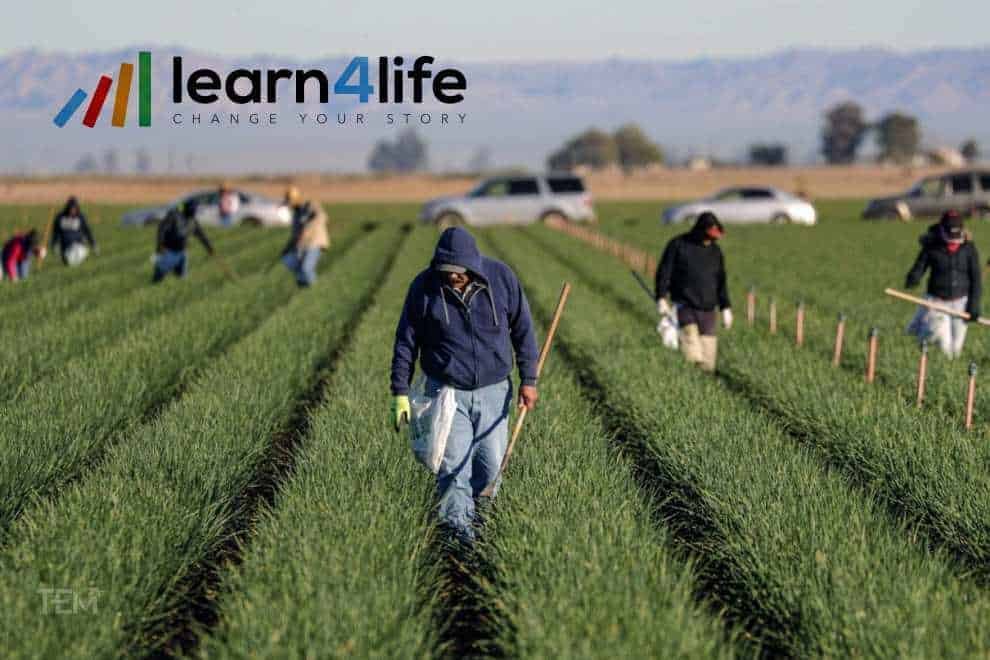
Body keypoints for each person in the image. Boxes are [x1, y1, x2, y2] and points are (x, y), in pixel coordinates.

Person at [391, 227, 539, 541]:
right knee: (453, 470)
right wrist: (400, 392)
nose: (452, 277)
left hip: (494, 391)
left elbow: (523, 330)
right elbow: (406, 341)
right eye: (446, 271)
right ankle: (459, 542)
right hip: (446, 393)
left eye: (458, 272)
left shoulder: (501, 278)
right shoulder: (424, 287)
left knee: (490, 468)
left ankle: (485, 531)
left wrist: (529, 379)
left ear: (472, 265)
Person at [654, 211, 732, 372]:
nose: (711, 241)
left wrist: (725, 307)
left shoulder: (715, 252)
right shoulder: (678, 245)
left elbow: (721, 281)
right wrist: (661, 297)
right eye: (709, 237)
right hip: (685, 306)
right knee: (692, 352)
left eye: (714, 238)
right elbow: (664, 272)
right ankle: (690, 378)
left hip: (708, 310)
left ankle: (704, 388)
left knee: (708, 362)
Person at [905, 209, 981, 358]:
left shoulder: (969, 249)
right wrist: (913, 277)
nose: (953, 241)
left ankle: (952, 371)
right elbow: (920, 266)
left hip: (961, 303)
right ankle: (934, 357)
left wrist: (974, 304)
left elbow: (976, 279)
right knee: (944, 345)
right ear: (941, 230)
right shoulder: (931, 246)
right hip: (937, 302)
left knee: (955, 348)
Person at [153, 201, 214, 283]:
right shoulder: (174, 216)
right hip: (168, 251)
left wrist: (210, 248)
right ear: (188, 208)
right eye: (194, 209)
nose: (195, 212)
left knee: (181, 279)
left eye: (196, 210)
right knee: (159, 277)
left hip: (182, 253)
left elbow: (202, 236)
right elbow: (161, 229)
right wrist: (160, 245)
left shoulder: (193, 222)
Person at [280, 186, 329, 288]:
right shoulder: (296, 214)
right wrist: (287, 248)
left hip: (315, 242)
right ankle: (303, 287)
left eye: (291, 202)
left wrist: (306, 229)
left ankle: (315, 290)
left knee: (306, 268)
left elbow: (322, 216)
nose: (290, 206)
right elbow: (295, 234)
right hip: (302, 244)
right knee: (288, 260)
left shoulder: (310, 205)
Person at [50, 196, 97, 266]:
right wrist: (54, 244)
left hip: (78, 245)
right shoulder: (60, 217)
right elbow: (55, 232)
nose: (72, 211)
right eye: (71, 209)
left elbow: (87, 231)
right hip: (65, 246)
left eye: (74, 209)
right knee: (68, 262)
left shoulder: (80, 217)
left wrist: (93, 244)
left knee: (75, 260)